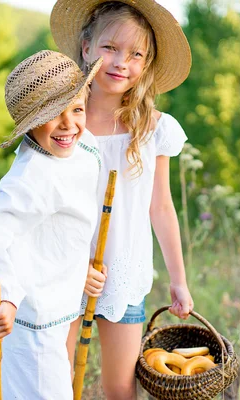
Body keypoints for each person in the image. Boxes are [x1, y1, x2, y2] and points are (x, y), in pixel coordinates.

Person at [51, 1, 195, 398]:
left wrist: (178, 281)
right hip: (64, 268)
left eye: (136, 54)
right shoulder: (62, 118)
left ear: (146, 64)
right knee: (56, 381)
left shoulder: (152, 128)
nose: (121, 63)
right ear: (85, 48)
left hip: (123, 272)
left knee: (119, 386)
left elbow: (161, 207)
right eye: (110, 48)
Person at [0, 49, 102, 400]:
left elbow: (57, 233)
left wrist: (78, 269)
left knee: (15, 388)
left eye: (76, 109)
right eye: (52, 115)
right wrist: (7, 297)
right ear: (30, 124)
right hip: (33, 316)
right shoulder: (31, 176)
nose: (69, 124)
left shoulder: (79, 147)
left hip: (54, 304)